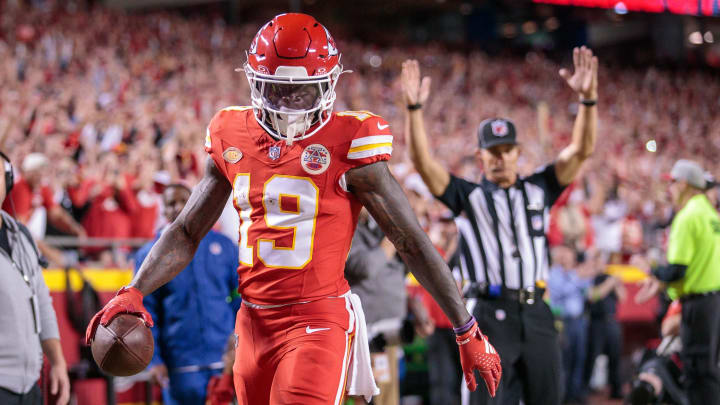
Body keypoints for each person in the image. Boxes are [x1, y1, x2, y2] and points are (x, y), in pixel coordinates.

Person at [86, 13, 502, 405]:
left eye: (300, 90)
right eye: (275, 89)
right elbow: (186, 231)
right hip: (252, 323)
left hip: (317, 320)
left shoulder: (350, 140)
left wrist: (465, 328)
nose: (286, 104)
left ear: (329, 84)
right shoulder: (232, 133)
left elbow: (410, 240)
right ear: (253, 82)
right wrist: (134, 289)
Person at [401, 45, 598, 405]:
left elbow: (581, 150)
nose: (500, 157)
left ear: (517, 152)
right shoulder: (468, 195)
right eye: (492, 151)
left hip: (537, 310)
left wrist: (587, 101)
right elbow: (423, 163)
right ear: (480, 156)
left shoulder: (539, 188)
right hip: (488, 314)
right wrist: (414, 111)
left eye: (506, 149)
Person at [135, 184, 239, 405]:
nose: (178, 208)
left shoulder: (224, 245)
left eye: (184, 201)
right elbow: (145, 313)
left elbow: (239, 298)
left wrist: (239, 338)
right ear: (163, 210)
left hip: (223, 359)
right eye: (171, 203)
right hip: (179, 364)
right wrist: (154, 361)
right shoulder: (149, 255)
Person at [635, 159, 720, 405]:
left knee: (697, 374)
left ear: (684, 184)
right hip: (713, 302)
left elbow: (677, 270)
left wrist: (650, 269)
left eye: (672, 183)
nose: (669, 189)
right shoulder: (710, 214)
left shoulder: (688, 216)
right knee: (709, 372)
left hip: (697, 305)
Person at [0, 151, 70, 405]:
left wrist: (59, 362)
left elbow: (42, 302)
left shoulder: (22, 238)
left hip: (30, 385)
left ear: (7, 181)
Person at [547, 245, 590, 404]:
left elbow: (587, 291)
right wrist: (577, 277)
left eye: (569, 254)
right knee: (564, 360)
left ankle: (576, 394)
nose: (566, 257)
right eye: (563, 254)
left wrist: (579, 277)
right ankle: (562, 396)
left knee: (579, 357)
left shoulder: (578, 272)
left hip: (579, 320)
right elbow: (560, 291)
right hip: (562, 321)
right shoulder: (554, 273)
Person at [583, 249, 626, 400]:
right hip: (596, 322)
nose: (599, 263)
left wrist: (616, 283)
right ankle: (584, 391)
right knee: (591, 357)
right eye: (596, 260)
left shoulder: (609, 277)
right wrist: (610, 283)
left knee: (615, 357)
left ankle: (616, 389)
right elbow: (594, 296)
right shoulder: (589, 278)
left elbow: (623, 297)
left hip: (612, 321)